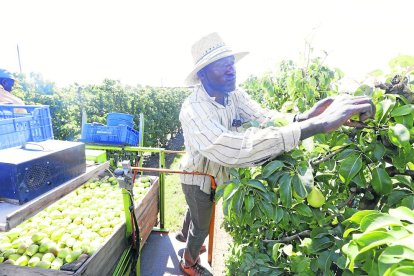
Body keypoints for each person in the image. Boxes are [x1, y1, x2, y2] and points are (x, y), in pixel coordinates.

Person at [177, 32, 374, 276]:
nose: (232, 70)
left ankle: (187, 234)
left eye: (231, 63)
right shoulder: (194, 109)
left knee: (197, 214)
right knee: (201, 224)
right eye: (222, 65)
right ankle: (188, 261)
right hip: (197, 176)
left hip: (220, 175)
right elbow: (229, 149)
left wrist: (306, 117)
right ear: (203, 74)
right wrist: (316, 126)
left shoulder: (234, 95)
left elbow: (265, 118)